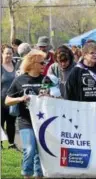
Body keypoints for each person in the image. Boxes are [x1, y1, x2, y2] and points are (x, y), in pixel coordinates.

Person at [5, 49, 46, 178]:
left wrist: (49, 96)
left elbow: (56, 98)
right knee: (29, 149)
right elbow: (7, 101)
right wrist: (20, 99)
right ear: (33, 63)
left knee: (40, 152)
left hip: (42, 122)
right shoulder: (20, 80)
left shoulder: (46, 79)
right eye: (42, 63)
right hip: (25, 121)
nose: (44, 65)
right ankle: (26, 175)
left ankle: (38, 174)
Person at [1, 44, 19, 150]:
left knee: (11, 123)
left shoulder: (16, 66)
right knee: (1, 123)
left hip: (12, 100)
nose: (8, 55)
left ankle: (12, 144)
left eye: (10, 53)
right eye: (6, 53)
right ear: (2, 54)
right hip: (1, 100)